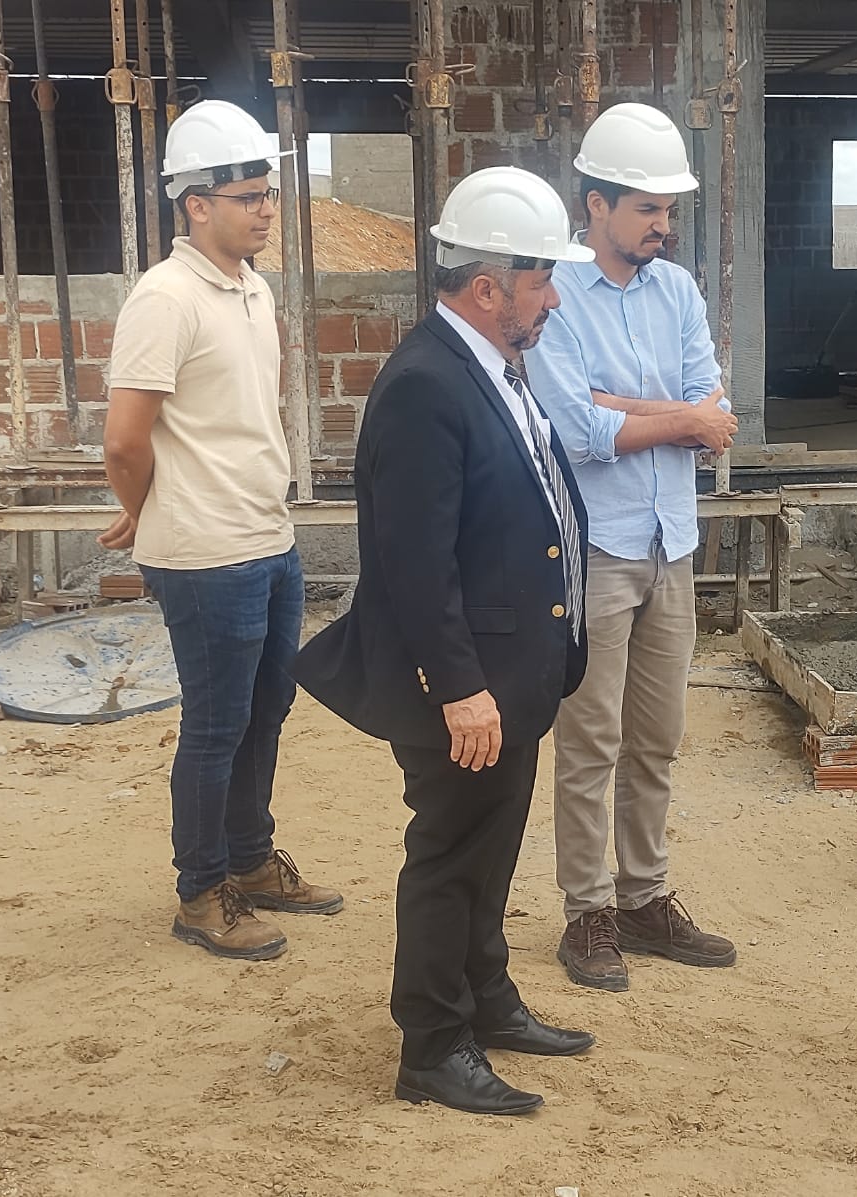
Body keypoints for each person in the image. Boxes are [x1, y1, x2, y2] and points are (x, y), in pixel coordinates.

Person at [294, 167, 596, 1116]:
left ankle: (486, 997)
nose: (553, 300)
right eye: (543, 281)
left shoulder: (488, 365)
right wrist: (460, 686)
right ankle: (431, 1042)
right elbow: (415, 562)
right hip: (467, 687)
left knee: (489, 845)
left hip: (511, 676)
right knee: (449, 854)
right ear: (488, 286)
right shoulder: (426, 384)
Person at [103, 100, 341, 962]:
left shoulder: (251, 288)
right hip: (206, 553)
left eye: (268, 193)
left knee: (266, 707)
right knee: (215, 722)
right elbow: (125, 439)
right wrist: (145, 510)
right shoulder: (164, 299)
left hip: (267, 537)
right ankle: (203, 891)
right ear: (195, 204)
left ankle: (250, 858)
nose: (266, 209)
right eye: (248, 196)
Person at [524, 102, 739, 993]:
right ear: (596, 205)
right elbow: (577, 429)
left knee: (657, 737)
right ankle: (588, 910)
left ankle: (644, 896)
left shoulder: (677, 291)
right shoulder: (557, 295)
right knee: (590, 739)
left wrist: (634, 408)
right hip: (598, 549)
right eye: (647, 208)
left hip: (670, 542)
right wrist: (676, 417)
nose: (662, 225)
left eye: (668, 210)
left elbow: (715, 410)